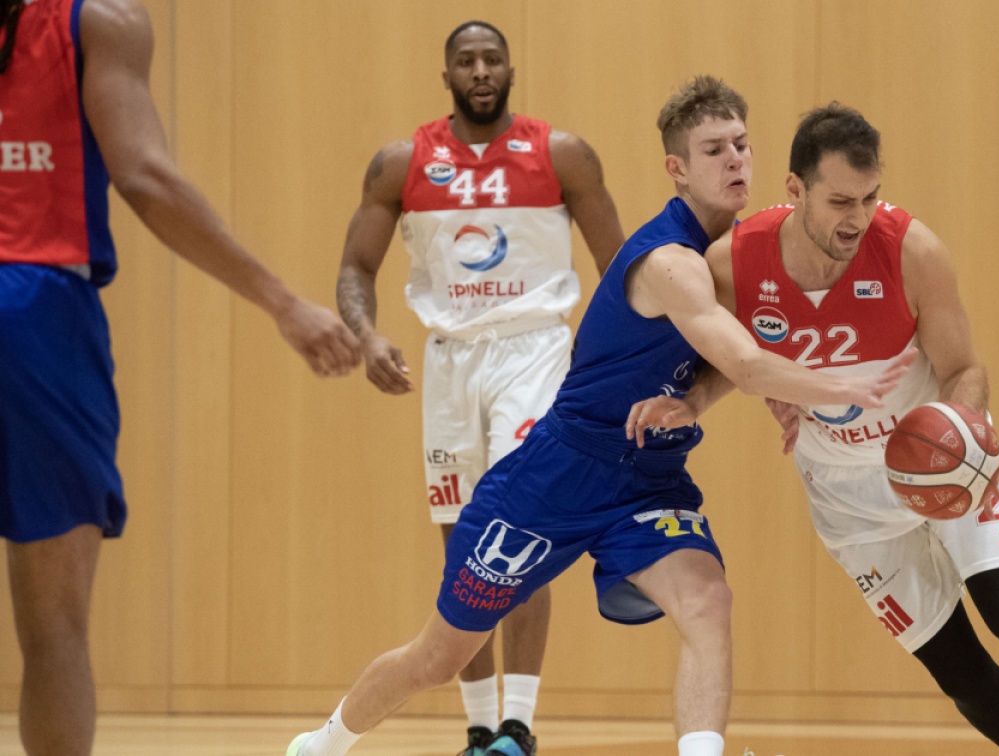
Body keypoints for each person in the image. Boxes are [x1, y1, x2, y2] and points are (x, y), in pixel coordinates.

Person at [288, 76, 913, 756]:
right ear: (677, 169)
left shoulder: (741, 253)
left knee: (707, 601)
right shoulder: (670, 261)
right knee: (436, 658)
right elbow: (746, 361)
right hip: (557, 476)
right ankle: (321, 745)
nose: (735, 160)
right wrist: (845, 386)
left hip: (646, 478)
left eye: (741, 144)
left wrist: (717, 399)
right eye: (713, 150)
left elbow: (738, 356)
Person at [689, 104, 999, 756]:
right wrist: (712, 400)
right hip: (847, 494)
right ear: (795, 190)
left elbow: (963, 369)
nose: (857, 218)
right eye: (840, 201)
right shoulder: (734, 262)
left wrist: (964, 435)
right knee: (962, 675)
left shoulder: (911, 251)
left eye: (869, 197)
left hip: (942, 452)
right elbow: (729, 358)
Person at [0, 0, 361, 753]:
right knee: (54, 628)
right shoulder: (95, 21)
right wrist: (282, 302)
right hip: (34, 315)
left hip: (36, 312)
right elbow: (145, 179)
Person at [334, 19, 625, 755]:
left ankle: (518, 728)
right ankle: (477, 731)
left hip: (533, 351)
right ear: (447, 77)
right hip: (449, 361)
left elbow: (622, 268)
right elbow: (355, 267)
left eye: (493, 58)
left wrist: (604, 361)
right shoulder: (402, 163)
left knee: (520, 530)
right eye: (466, 61)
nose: (481, 70)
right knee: (463, 544)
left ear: (511, 69)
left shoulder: (561, 153)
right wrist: (366, 336)